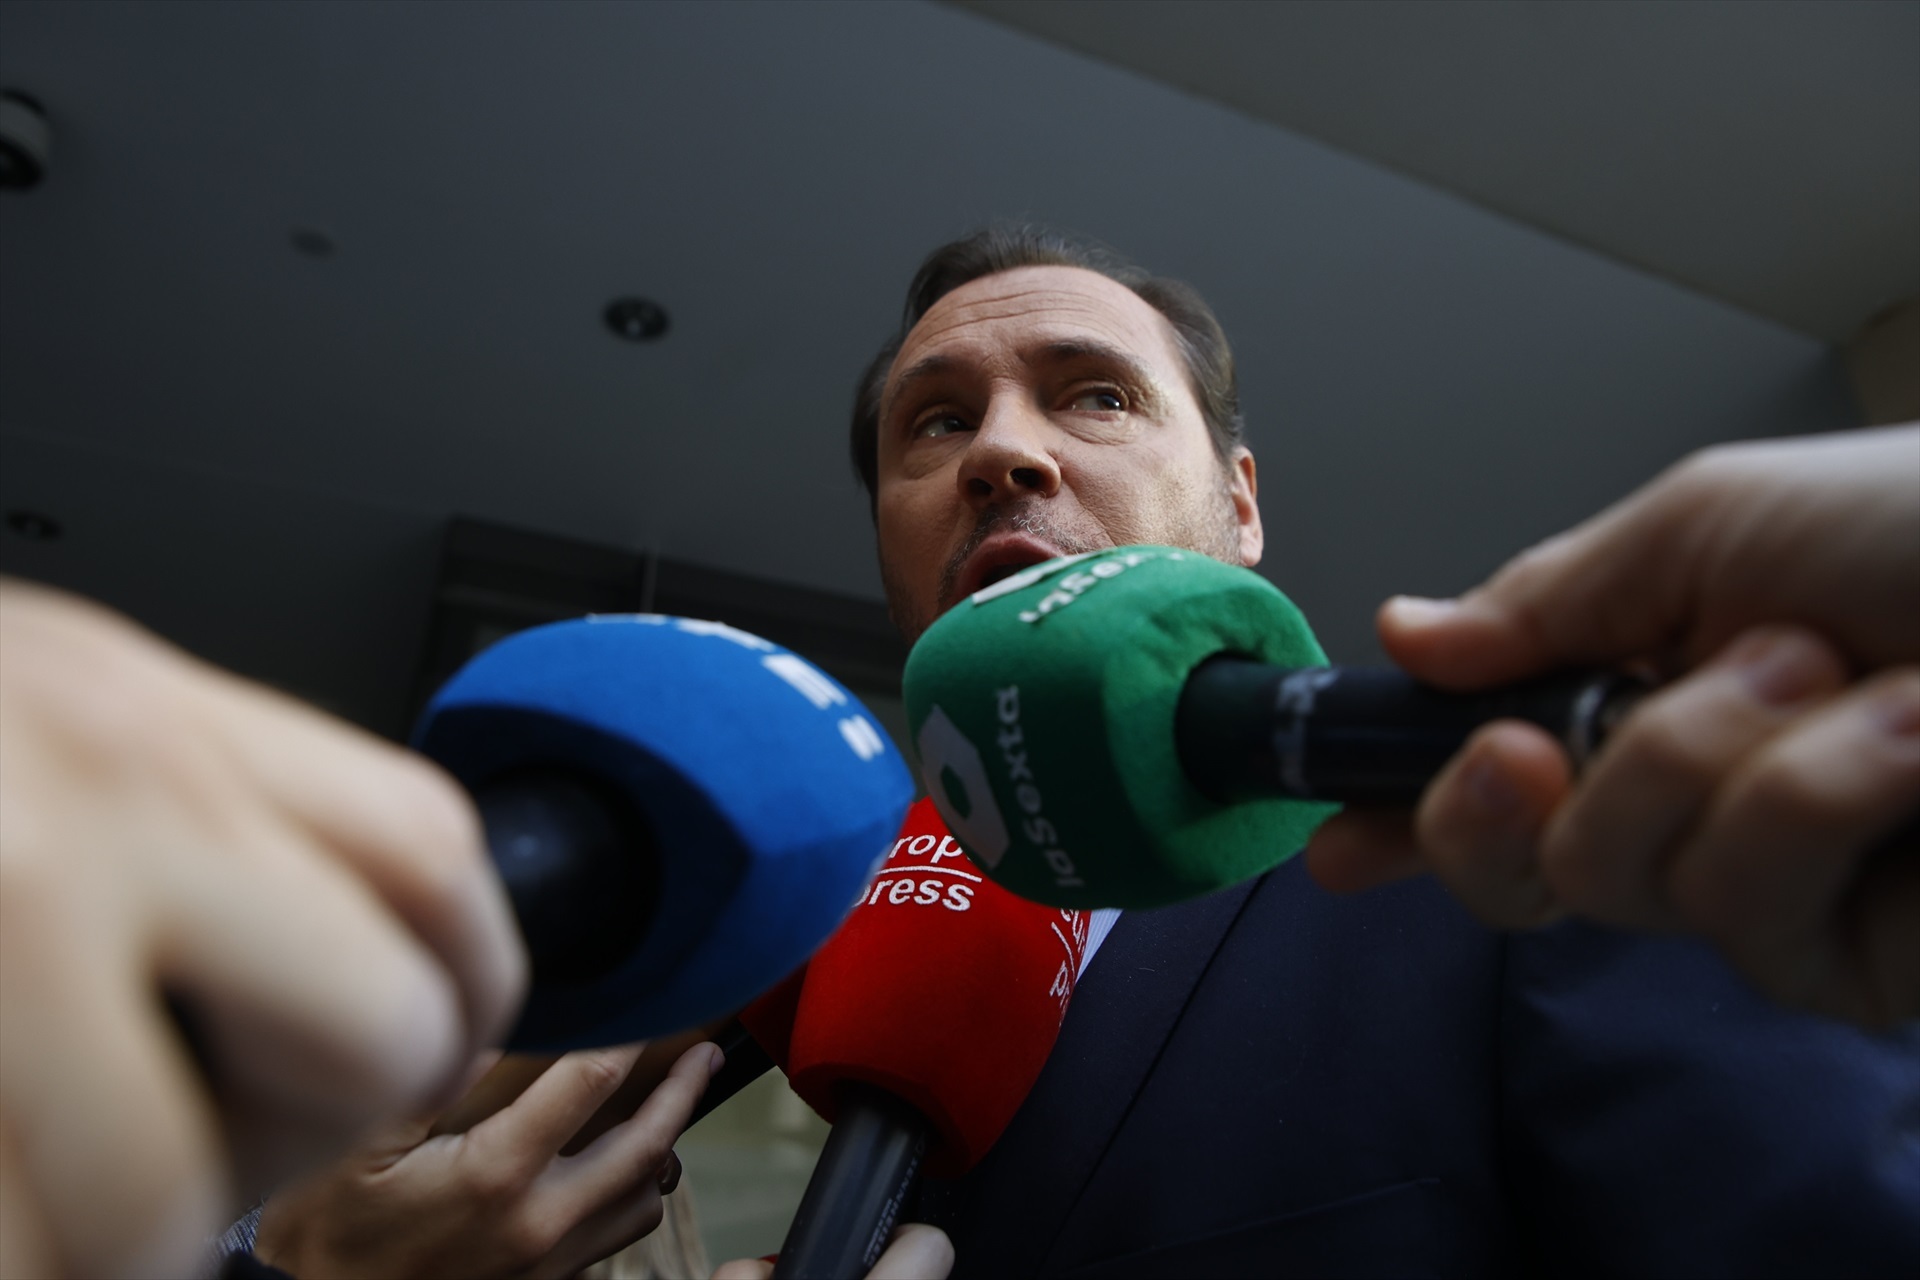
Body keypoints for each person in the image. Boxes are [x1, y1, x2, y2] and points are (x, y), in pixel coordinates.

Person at [853, 226, 1919, 1276]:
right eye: (939, 421)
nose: (998, 451)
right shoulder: (876, 979)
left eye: (1097, 396)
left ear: (1239, 502)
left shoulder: (1527, 834)